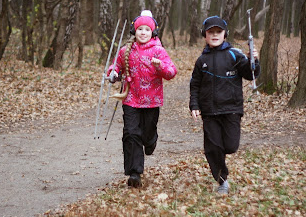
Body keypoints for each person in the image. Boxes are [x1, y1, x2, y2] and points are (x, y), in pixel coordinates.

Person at [189, 16, 260, 195]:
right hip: (210, 111)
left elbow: (250, 74)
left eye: (218, 32)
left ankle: (222, 160)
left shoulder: (234, 54)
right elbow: (195, 85)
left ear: (225, 34)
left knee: (230, 146)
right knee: (212, 148)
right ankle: (222, 180)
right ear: (204, 35)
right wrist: (194, 105)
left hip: (231, 109)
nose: (214, 35)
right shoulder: (201, 60)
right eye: (210, 32)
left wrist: (254, 61)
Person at [107, 10, 177, 188]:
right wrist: (113, 73)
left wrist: (160, 66)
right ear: (135, 31)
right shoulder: (126, 50)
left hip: (152, 101)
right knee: (131, 133)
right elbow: (116, 66)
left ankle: (151, 139)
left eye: (147, 29)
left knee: (146, 133)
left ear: (152, 32)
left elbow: (171, 72)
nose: (143, 32)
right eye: (140, 29)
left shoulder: (158, 51)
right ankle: (134, 172)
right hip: (130, 98)